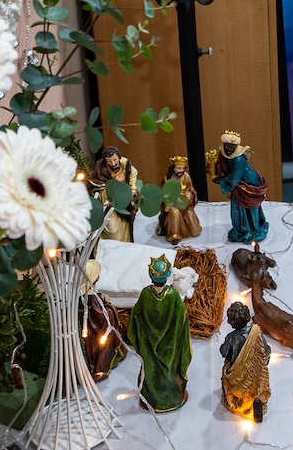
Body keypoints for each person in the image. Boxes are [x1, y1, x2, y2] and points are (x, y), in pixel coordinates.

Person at [124, 255, 191, 413]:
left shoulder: (145, 295)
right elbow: (182, 317)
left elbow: (136, 316)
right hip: (170, 347)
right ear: (167, 276)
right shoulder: (173, 295)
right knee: (171, 371)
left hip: (148, 346)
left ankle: (153, 398)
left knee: (151, 371)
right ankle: (172, 397)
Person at [210, 132, 269, 244]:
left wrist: (221, 181)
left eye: (232, 147)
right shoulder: (223, 153)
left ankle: (249, 230)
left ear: (236, 147)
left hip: (247, 183)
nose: (229, 150)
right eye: (227, 146)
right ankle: (240, 230)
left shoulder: (238, 159)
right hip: (238, 184)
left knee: (245, 206)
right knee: (237, 208)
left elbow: (234, 178)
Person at [220, 301, 272, 423]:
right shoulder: (256, 332)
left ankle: (238, 400)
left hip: (237, 375)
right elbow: (265, 350)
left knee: (225, 375)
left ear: (231, 322)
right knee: (257, 382)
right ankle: (256, 401)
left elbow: (224, 352)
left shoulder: (231, 337)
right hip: (255, 374)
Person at [91, 146, 139, 242]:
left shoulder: (127, 166)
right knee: (112, 231)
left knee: (124, 228)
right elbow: (98, 186)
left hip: (123, 204)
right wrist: (114, 185)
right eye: (109, 162)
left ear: (119, 157)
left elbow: (133, 187)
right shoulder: (101, 169)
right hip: (108, 204)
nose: (113, 164)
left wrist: (126, 195)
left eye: (115, 160)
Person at [156, 155, 201, 245]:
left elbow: (191, 190)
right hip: (172, 205)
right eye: (178, 168)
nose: (181, 170)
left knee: (195, 230)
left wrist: (190, 195)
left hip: (185, 204)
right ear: (173, 168)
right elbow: (163, 195)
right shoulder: (167, 179)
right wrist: (168, 202)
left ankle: (191, 230)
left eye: (182, 168)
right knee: (175, 213)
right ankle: (174, 235)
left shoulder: (186, 177)